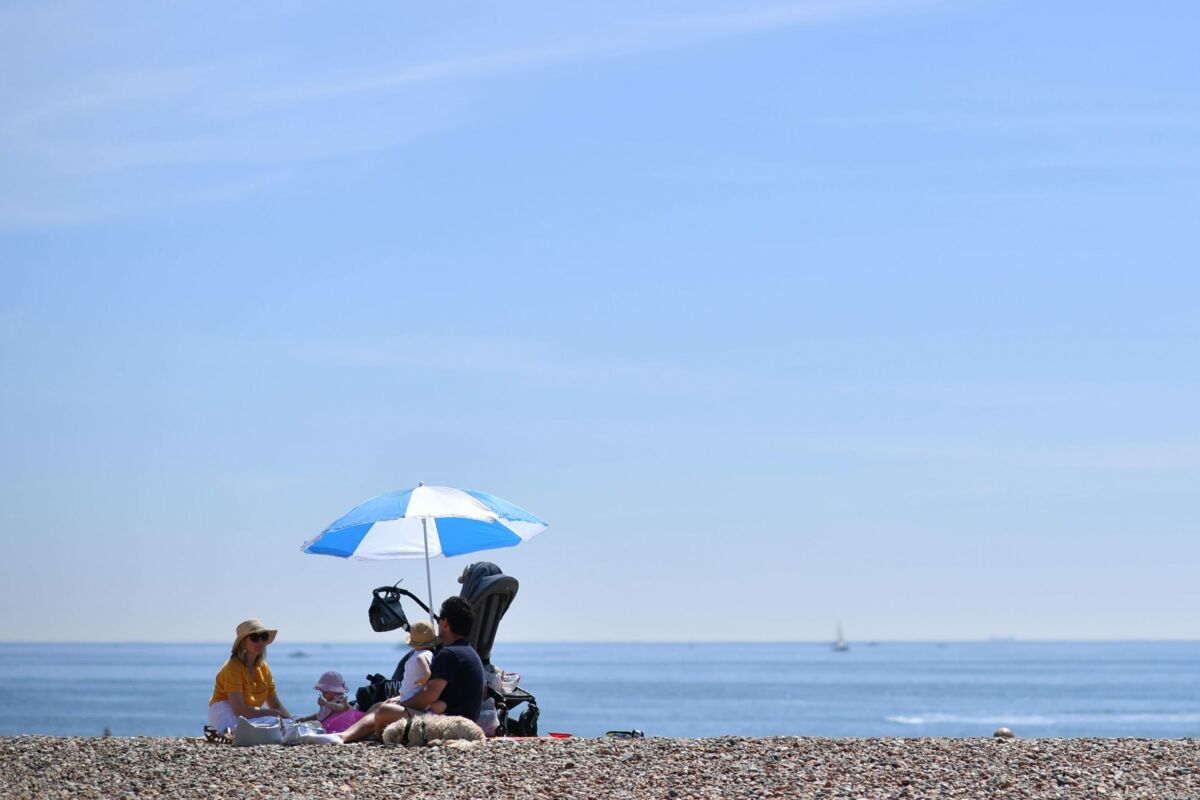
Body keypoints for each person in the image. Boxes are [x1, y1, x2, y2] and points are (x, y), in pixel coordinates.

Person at [338, 596, 485, 743]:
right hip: (465, 721)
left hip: (449, 724)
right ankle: (348, 735)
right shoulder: (469, 653)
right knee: (380, 706)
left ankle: (345, 737)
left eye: (439, 620)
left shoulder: (449, 654)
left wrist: (403, 704)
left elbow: (430, 695)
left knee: (384, 710)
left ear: (445, 622)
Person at [207, 619, 292, 736]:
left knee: (287, 724)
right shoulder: (233, 667)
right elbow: (239, 709)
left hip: (249, 714)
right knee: (274, 723)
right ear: (243, 642)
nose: (260, 641)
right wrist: (273, 714)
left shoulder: (264, 668)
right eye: (254, 637)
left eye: (263, 636)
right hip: (226, 712)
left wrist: (290, 720)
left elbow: (276, 705)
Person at [296, 670, 365, 734]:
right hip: (330, 723)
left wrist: (326, 704)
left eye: (325, 692)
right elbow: (320, 714)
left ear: (335, 690)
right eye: (322, 692)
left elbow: (341, 708)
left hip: (343, 723)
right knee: (311, 723)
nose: (323, 695)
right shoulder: (330, 700)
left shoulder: (341, 699)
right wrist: (306, 719)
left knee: (315, 726)